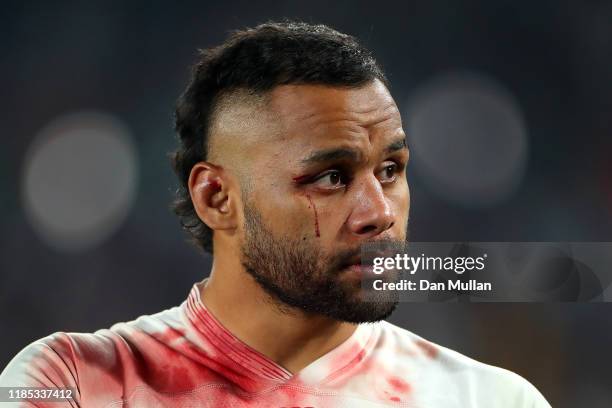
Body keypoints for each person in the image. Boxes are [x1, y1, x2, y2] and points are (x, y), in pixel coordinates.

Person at [0, 21, 551, 407]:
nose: (379, 213)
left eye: (390, 170)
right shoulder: (69, 383)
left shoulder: (492, 399)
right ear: (217, 197)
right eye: (331, 177)